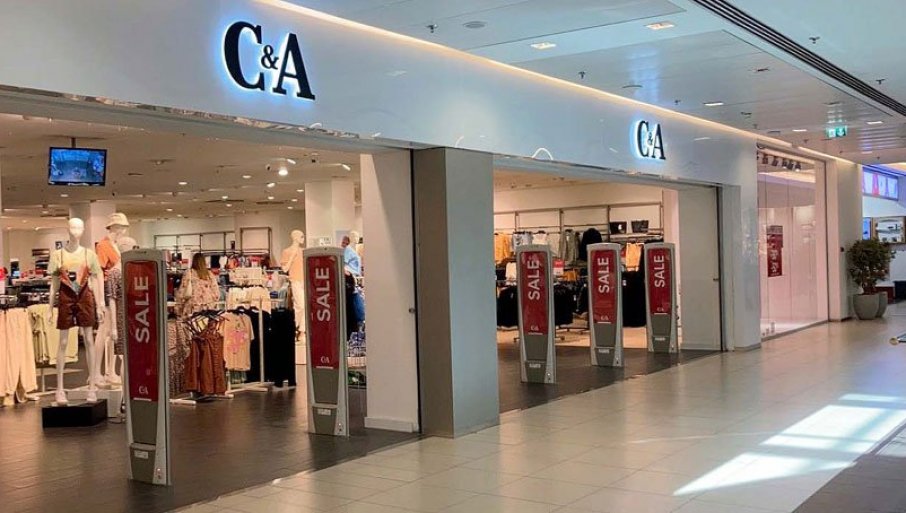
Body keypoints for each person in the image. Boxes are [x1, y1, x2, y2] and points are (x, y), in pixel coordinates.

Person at [176, 253, 220, 318]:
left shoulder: (189, 273)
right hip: (208, 308)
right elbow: (216, 294)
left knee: (192, 324)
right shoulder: (209, 274)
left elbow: (182, 291)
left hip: (192, 307)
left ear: (194, 261)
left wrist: (178, 308)